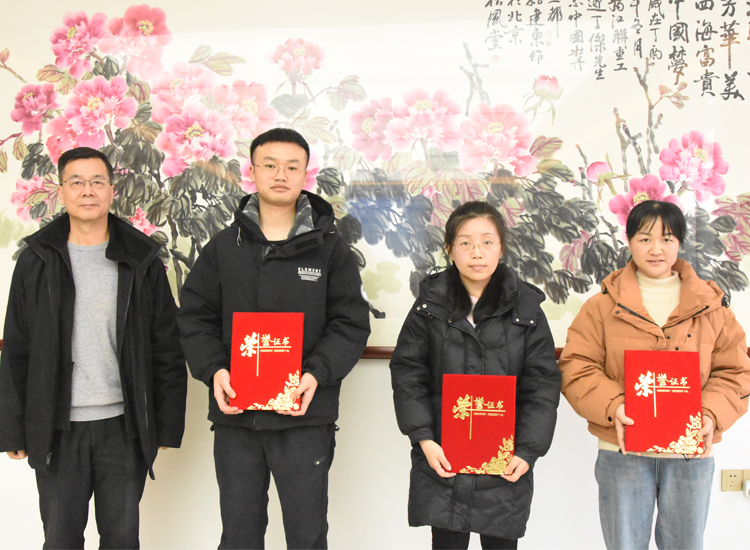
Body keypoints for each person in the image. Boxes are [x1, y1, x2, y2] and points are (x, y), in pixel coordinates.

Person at [177, 127, 370, 549]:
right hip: (236, 416)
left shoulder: (330, 250)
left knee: (307, 535)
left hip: (305, 416)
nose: (280, 174)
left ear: (305, 174)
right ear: (252, 172)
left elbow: (350, 323)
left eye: (291, 167)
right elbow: (194, 317)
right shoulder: (223, 248)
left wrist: (316, 373)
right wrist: (215, 371)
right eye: (270, 165)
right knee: (239, 534)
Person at [0, 146, 187, 548]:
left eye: (97, 181)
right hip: (56, 426)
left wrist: (166, 422)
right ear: (61, 191)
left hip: (123, 426)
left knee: (122, 539)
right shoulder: (37, 260)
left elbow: (166, 347)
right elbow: (16, 348)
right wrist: (12, 429)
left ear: (111, 189)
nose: (88, 190)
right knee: (60, 539)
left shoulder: (142, 259)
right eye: (77, 182)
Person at [558, 200, 750, 549]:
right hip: (622, 450)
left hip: (691, 453)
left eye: (667, 238)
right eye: (645, 238)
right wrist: (615, 406)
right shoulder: (601, 306)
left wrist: (709, 415)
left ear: (680, 243)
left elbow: (735, 371)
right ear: (629, 241)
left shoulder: (712, 307)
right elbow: (576, 366)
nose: (656, 249)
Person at [389, 201, 560, 549]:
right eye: (465, 243)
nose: (476, 252)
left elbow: (542, 385)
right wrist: (423, 438)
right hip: (443, 455)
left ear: (501, 248)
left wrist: (527, 451)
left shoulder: (526, 309)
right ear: (450, 249)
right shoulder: (429, 306)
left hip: (506, 460)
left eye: (486, 242)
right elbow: (408, 374)